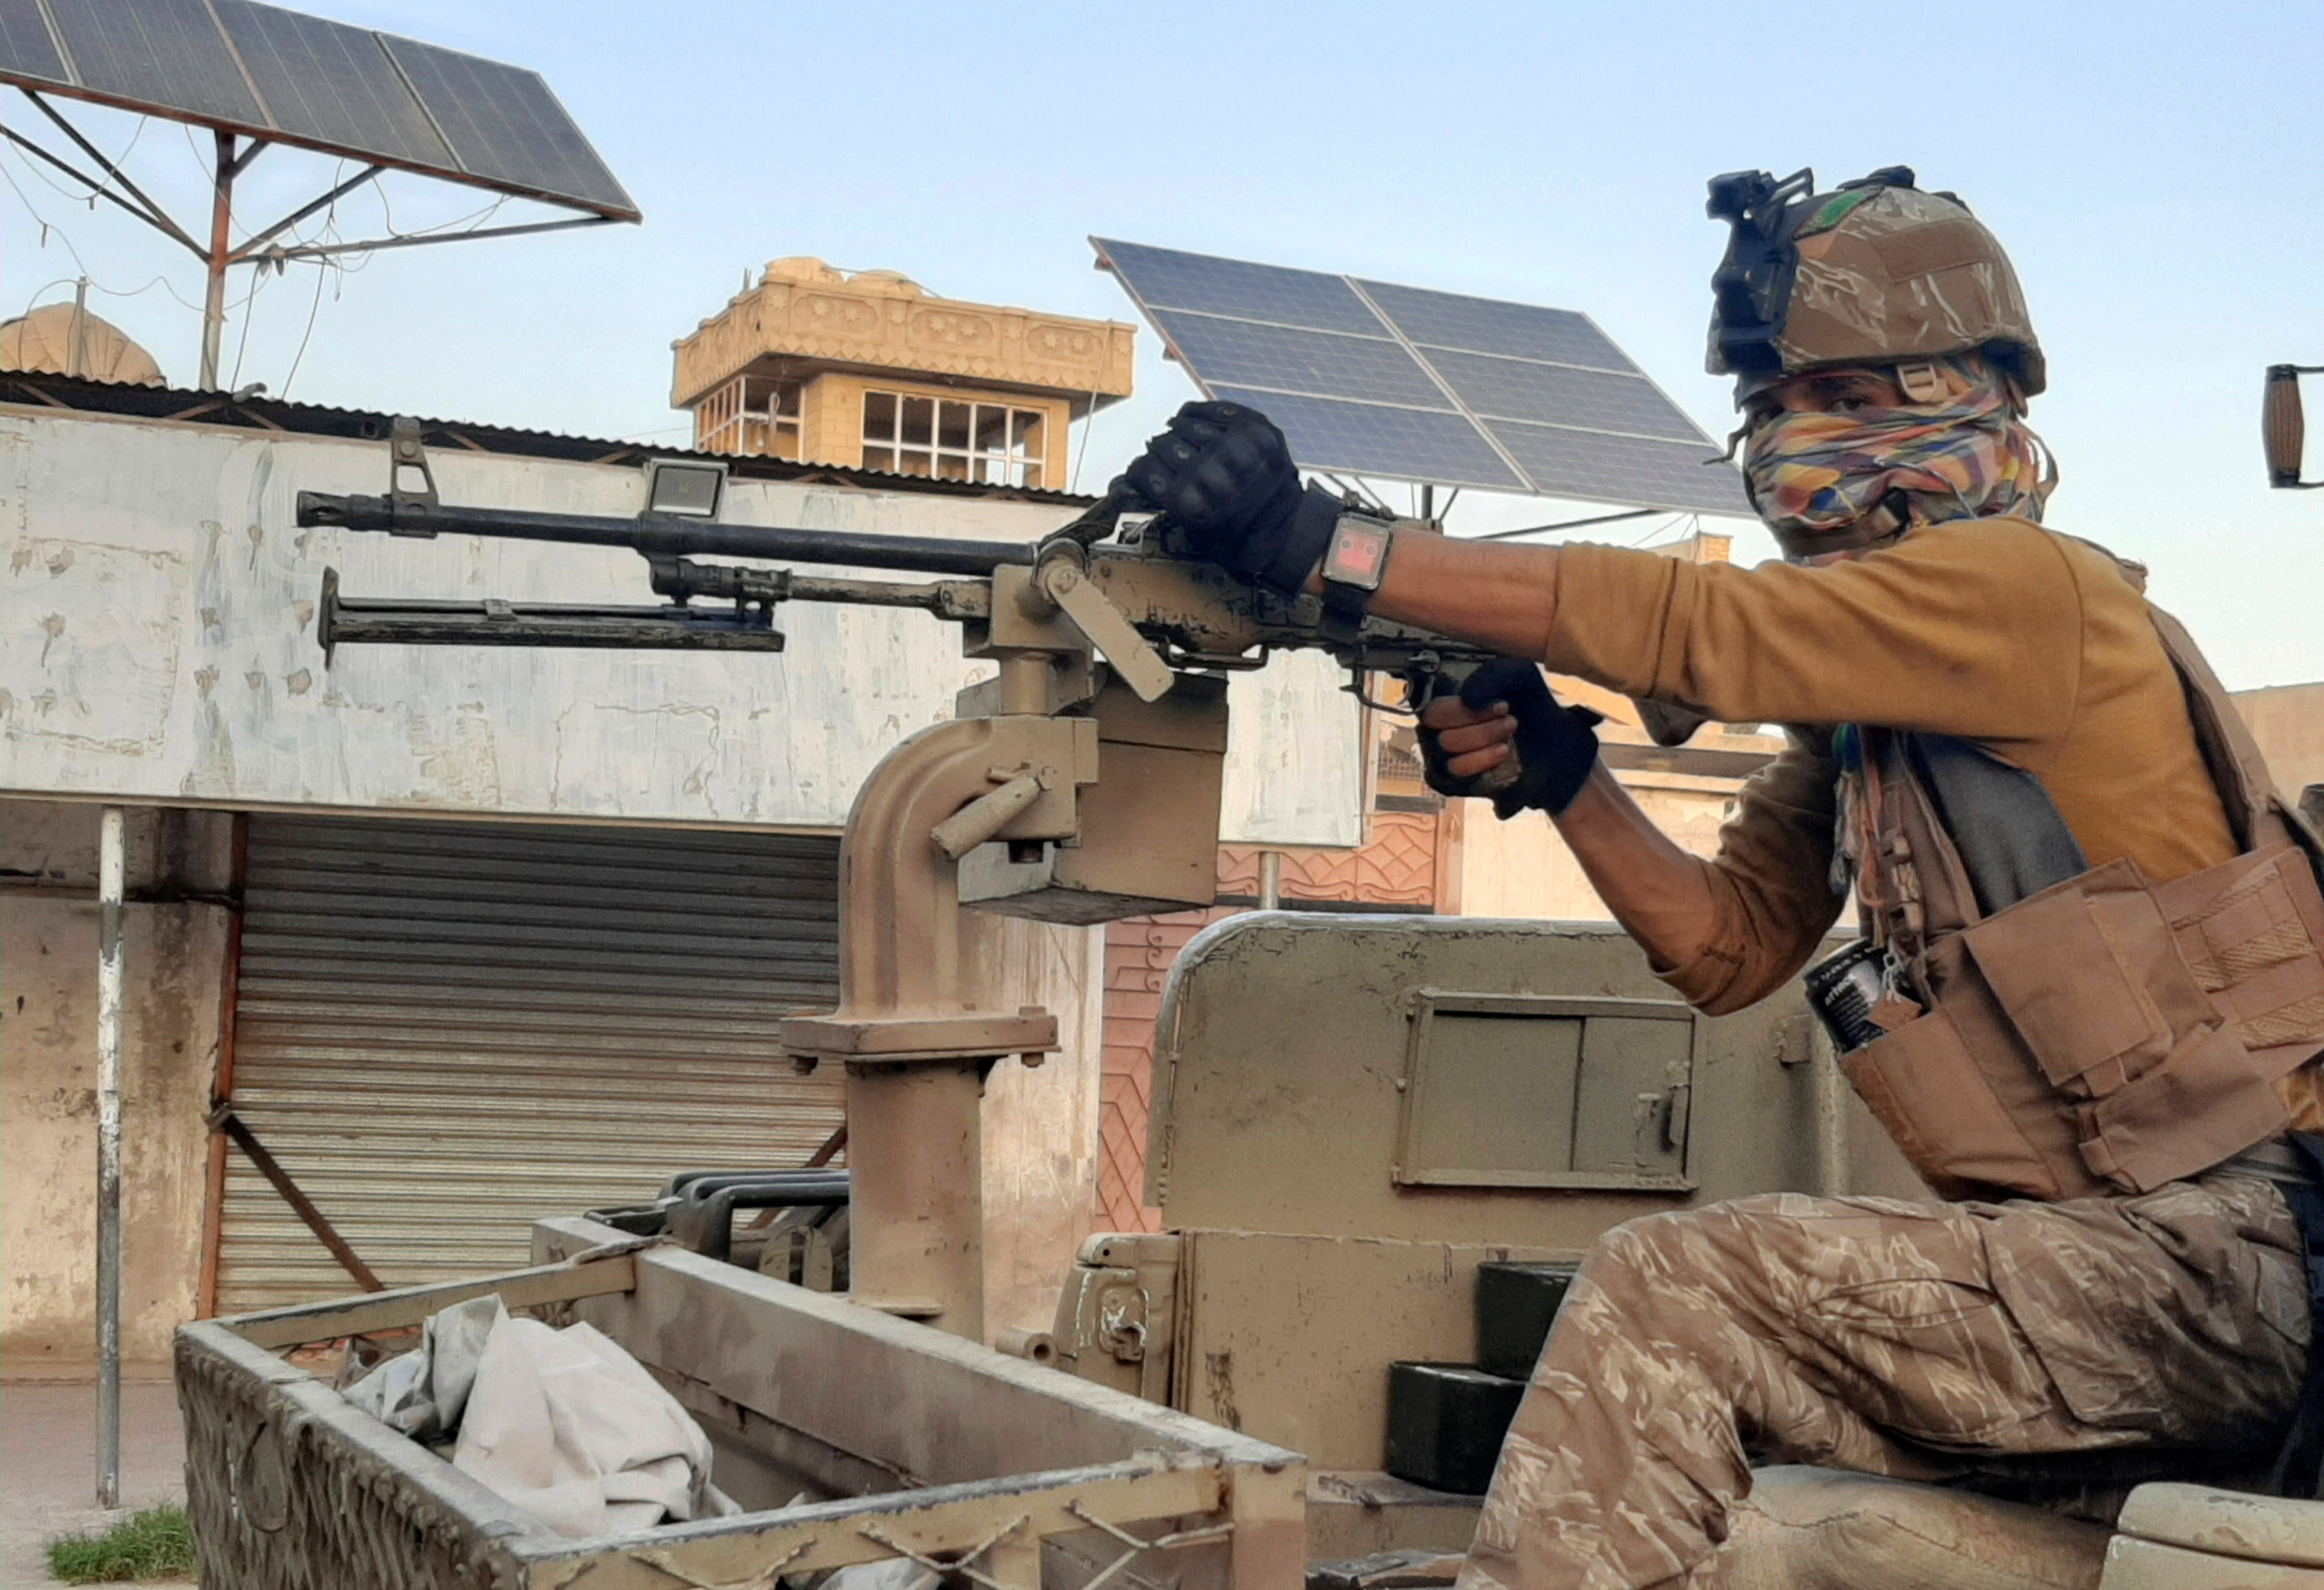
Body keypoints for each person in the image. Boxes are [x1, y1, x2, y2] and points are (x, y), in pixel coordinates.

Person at [1106, 167, 2324, 1589]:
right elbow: (1729, 946)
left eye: (1843, 406)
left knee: (1677, 1289)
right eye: (1772, 416)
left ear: (1956, 399)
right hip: (2096, 1269)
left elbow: (1702, 630)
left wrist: (1326, 546)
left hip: (2234, 1267)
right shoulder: (1880, 714)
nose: (1788, 451)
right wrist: (1564, 776)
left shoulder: (2027, 593)